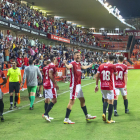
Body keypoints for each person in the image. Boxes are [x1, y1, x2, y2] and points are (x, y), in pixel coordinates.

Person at [63, 51, 96, 124]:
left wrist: (89, 66)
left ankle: (87, 116)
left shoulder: (79, 64)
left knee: (82, 100)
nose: (78, 56)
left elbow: (82, 67)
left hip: (79, 85)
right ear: (74, 56)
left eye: (79, 55)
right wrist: (65, 63)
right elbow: (68, 66)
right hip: (74, 85)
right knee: (72, 102)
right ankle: (66, 119)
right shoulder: (72, 63)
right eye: (77, 55)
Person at [95, 55, 117, 124]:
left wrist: (96, 85)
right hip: (110, 86)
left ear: (107, 59)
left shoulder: (101, 65)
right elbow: (116, 74)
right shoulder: (113, 66)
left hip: (102, 85)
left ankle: (104, 113)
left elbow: (97, 76)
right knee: (111, 102)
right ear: (113, 60)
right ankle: (109, 119)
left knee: (105, 100)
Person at [42, 55, 59, 122]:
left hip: (45, 83)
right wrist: (55, 83)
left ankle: (47, 116)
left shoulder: (46, 67)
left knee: (47, 99)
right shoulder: (52, 66)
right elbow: (53, 75)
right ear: (54, 59)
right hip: (50, 85)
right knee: (54, 100)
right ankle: (45, 114)